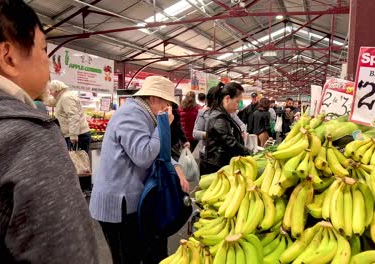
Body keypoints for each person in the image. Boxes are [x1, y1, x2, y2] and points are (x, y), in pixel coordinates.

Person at [0, 1, 102, 263]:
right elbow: (70, 254)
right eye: (44, 49)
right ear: (8, 57)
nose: (48, 61)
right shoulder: (28, 137)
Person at [89, 76, 189, 264]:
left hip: (133, 202)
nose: (168, 108)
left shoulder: (146, 115)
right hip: (118, 206)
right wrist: (163, 125)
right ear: (153, 98)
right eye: (166, 102)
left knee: (140, 254)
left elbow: (159, 150)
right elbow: (143, 155)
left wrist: (176, 166)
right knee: (127, 258)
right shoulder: (131, 114)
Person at [201, 82, 251, 175]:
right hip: (216, 166)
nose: (238, 105)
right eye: (237, 102)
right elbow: (229, 141)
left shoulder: (223, 114)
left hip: (220, 163)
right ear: (227, 98)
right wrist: (248, 152)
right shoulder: (218, 118)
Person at [49, 80, 91, 153]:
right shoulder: (61, 97)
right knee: (75, 161)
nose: (50, 93)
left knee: (78, 162)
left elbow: (73, 116)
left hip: (79, 135)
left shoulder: (66, 97)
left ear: (56, 90)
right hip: (75, 134)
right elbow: (50, 101)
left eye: (51, 91)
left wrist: (73, 135)